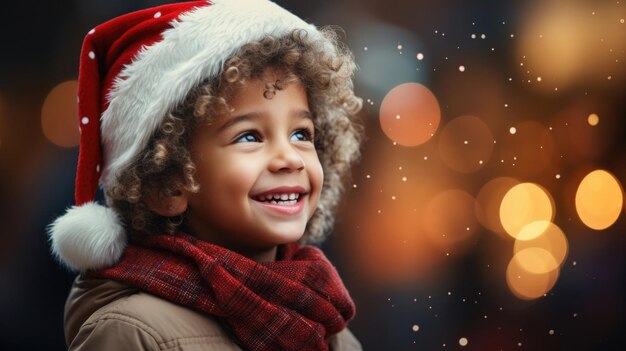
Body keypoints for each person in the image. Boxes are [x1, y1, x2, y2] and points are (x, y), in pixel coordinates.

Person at [48, 0, 363, 350]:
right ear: (166, 183)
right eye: (249, 136)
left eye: (301, 134)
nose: (289, 158)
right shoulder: (132, 333)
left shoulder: (325, 322)